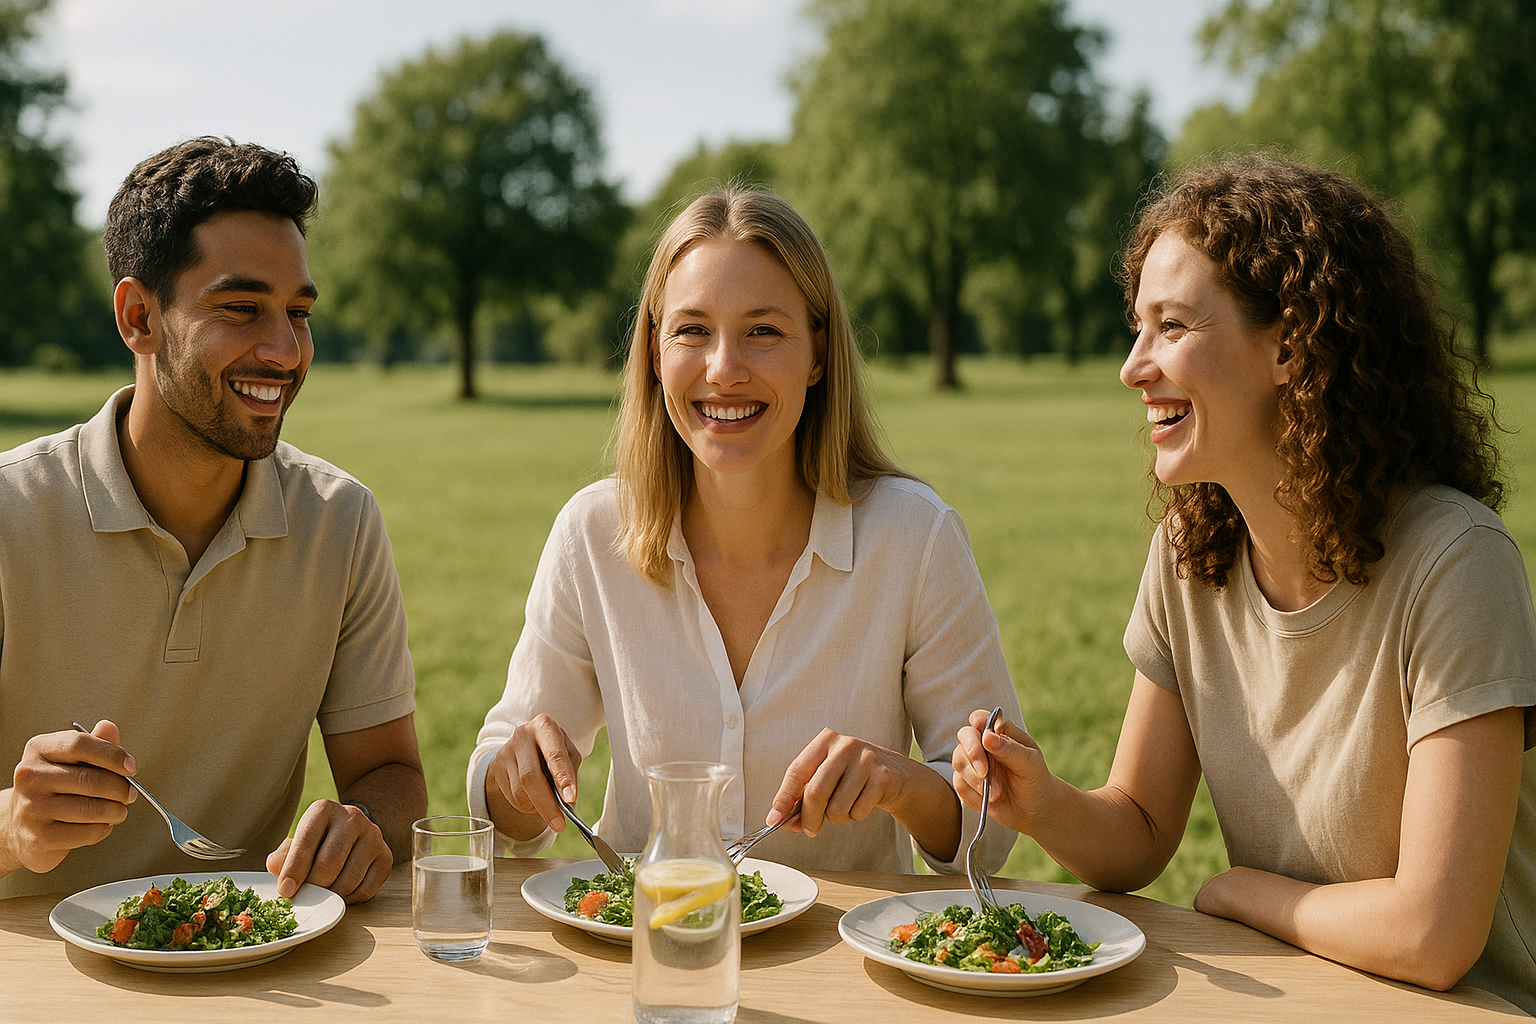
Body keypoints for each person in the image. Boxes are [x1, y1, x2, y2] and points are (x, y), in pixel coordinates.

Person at [953, 158, 1536, 1011]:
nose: (1133, 366)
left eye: (1172, 326)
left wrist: (1241, 893)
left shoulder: (1456, 561)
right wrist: (1041, 803)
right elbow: (1140, 829)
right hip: (1302, 1000)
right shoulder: (1192, 553)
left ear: (1290, 346)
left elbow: (1434, 935)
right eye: (1137, 327)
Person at [468, 188, 1019, 874]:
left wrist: (900, 784)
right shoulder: (591, 533)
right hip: (648, 929)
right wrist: (513, 777)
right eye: (692, 331)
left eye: (763, 331)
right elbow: (501, 805)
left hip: (842, 944)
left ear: (818, 354)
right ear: (654, 353)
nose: (724, 368)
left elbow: (992, 825)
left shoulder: (916, 538)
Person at [0, 137, 426, 903]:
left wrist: (364, 824)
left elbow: (391, 775)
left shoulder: (340, 520)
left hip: (249, 949)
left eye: (298, 313)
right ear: (139, 317)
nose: (285, 351)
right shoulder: (10, 514)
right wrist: (12, 828)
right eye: (241, 309)